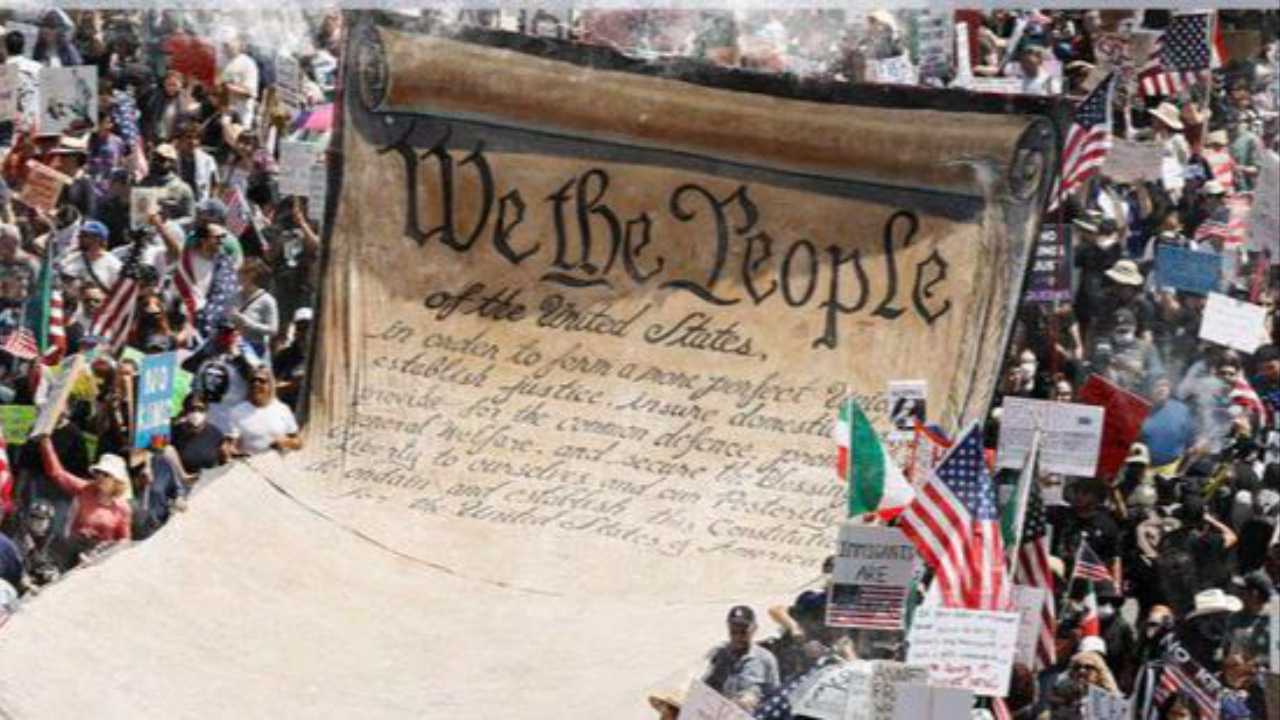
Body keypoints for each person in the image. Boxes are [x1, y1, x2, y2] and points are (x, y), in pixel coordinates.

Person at [35, 435, 132, 562]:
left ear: (117, 481)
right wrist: (45, 444)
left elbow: (124, 542)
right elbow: (57, 474)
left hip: (102, 559)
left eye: (106, 474)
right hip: (73, 553)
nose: (100, 477)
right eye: (98, 472)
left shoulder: (122, 508)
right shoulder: (85, 489)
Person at [701, 605, 779, 711]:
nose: (738, 637)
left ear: (754, 628)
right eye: (733, 631)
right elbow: (703, 687)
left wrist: (756, 702)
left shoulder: (766, 659)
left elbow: (775, 698)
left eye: (743, 631)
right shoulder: (718, 654)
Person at [227, 366, 301, 456]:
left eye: (262, 381)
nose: (256, 384)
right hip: (250, 462)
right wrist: (229, 450)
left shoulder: (283, 409)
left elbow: (298, 443)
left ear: (270, 385)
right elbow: (231, 444)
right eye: (253, 380)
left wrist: (286, 442)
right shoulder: (237, 411)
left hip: (278, 462)